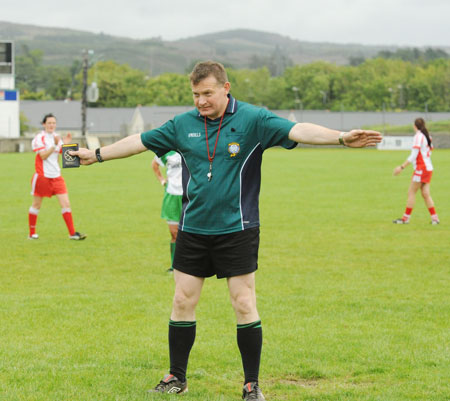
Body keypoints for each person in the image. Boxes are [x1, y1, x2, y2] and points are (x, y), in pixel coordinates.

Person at [72, 61, 381, 400]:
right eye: (195, 95)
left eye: (207, 93)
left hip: (238, 228)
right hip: (194, 228)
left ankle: (251, 384)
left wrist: (339, 137)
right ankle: (177, 377)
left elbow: (298, 130)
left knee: (244, 302)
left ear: (225, 88)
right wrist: (97, 155)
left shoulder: (253, 119)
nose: (201, 101)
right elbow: (140, 141)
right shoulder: (182, 124)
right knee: (181, 299)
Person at [28, 113, 86, 240]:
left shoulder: (56, 138)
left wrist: (65, 144)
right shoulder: (39, 138)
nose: (51, 125)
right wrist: (54, 145)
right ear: (44, 124)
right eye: (49, 123)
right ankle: (32, 233)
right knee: (36, 204)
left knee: (66, 203)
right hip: (42, 176)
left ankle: (72, 234)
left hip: (56, 176)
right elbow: (42, 156)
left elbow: (63, 153)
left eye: (53, 123)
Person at [393, 117, 440, 225]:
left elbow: (414, 155)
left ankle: (405, 219)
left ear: (414, 126)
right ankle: (435, 219)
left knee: (411, 192)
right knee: (425, 193)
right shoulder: (427, 136)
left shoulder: (418, 137)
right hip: (428, 168)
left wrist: (401, 167)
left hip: (421, 169)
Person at [151, 151, 183, 272]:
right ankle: (174, 266)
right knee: (174, 233)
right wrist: (162, 180)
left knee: (194, 233)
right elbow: (154, 164)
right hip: (172, 196)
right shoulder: (166, 150)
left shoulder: (190, 146)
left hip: (189, 196)